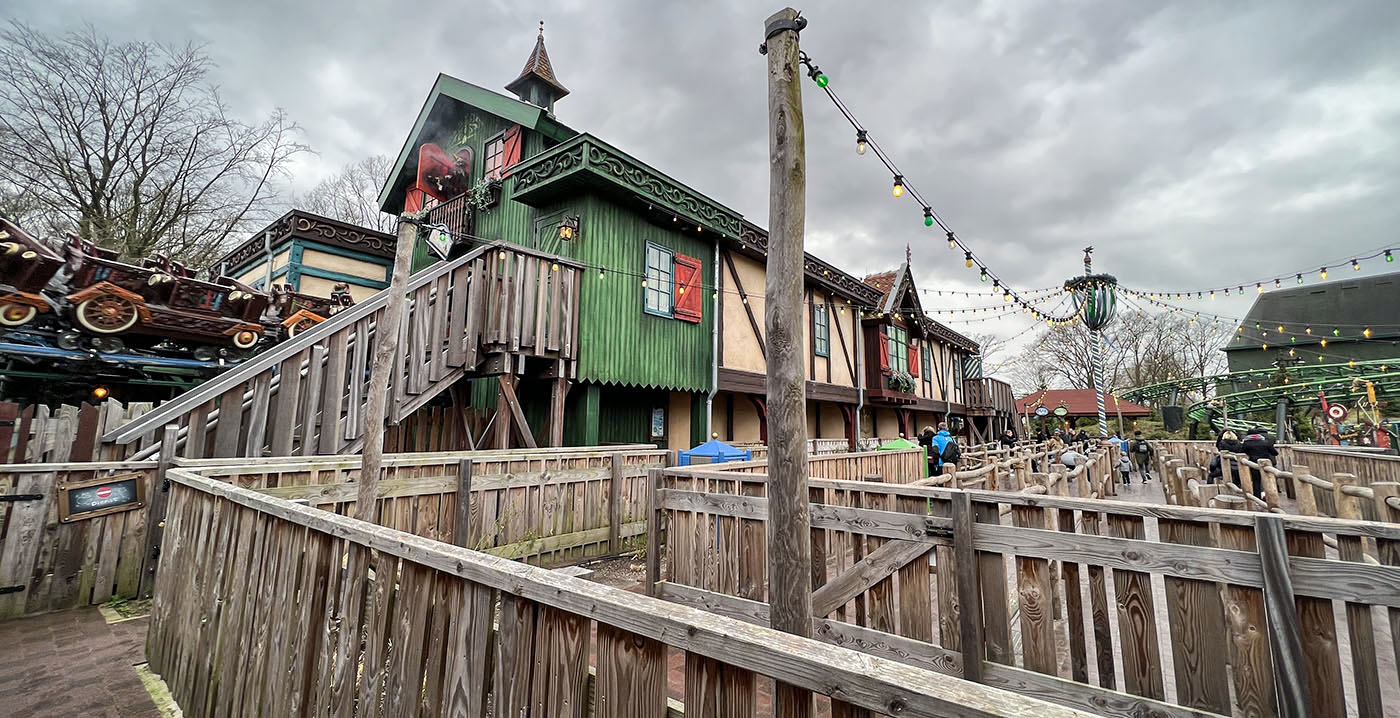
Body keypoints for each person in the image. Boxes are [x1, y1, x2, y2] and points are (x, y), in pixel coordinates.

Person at [1241, 427, 1278, 499]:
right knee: (1268, 481)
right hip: (1266, 464)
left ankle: (1257, 497)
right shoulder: (1265, 442)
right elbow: (1275, 453)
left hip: (1253, 464)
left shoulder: (1247, 443)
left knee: (1256, 481)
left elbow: (1242, 451)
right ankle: (1269, 496)